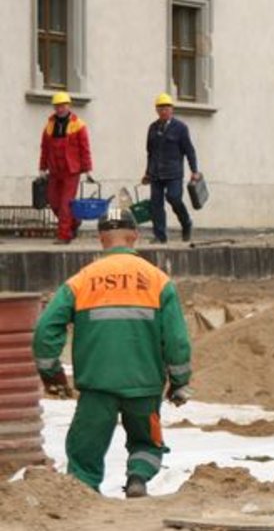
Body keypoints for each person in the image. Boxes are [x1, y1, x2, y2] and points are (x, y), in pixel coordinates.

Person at [32, 207, 193, 498]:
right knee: (147, 443)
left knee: (84, 453)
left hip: (97, 385)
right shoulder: (158, 281)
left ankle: (84, 498)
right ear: (134, 237)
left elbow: (45, 329)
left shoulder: (81, 281)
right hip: (144, 386)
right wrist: (180, 381)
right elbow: (177, 341)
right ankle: (138, 478)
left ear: (101, 238)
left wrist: (51, 373)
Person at [142, 93, 200, 244]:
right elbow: (150, 152)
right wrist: (147, 173)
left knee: (174, 198)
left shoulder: (180, 128)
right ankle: (160, 236)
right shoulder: (152, 128)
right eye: (160, 108)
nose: (163, 111)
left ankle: (186, 223)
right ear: (156, 110)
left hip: (173, 173)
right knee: (156, 204)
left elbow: (189, 151)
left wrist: (194, 171)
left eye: (166, 108)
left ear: (172, 110)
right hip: (156, 173)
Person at [39, 91, 93, 244]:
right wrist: (42, 167)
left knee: (65, 204)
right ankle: (74, 222)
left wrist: (87, 169)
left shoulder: (78, 125)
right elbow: (44, 148)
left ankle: (64, 236)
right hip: (55, 170)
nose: (60, 108)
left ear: (68, 106)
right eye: (57, 106)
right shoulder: (49, 125)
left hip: (71, 170)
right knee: (54, 202)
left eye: (62, 105)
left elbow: (85, 148)